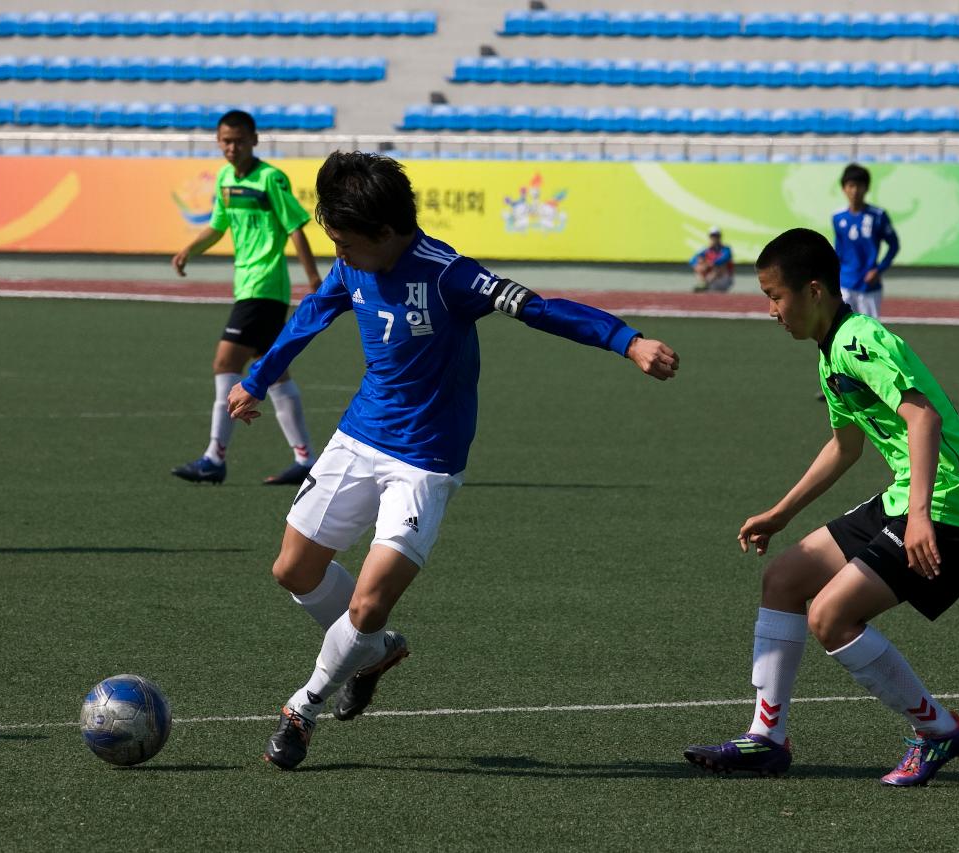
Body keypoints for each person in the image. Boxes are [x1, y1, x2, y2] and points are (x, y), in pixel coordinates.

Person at [225, 152, 680, 770]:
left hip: (425, 460)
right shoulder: (351, 261)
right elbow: (311, 314)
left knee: (367, 603)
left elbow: (540, 308)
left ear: (386, 232)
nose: (340, 251)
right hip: (359, 436)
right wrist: (258, 377)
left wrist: (627, 340)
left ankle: (301, 710)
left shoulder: (450, 276)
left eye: (347, 240)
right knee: (293, 570)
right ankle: (375, 652)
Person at [683, 228, 959, 787]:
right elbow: (845, 446)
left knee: (831, 615)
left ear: (816, 290)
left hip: (948, 507)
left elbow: (924, 418)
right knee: (784, 578)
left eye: (776, 297)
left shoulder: (860, 341)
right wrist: (781, 513)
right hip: (910, 495)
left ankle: (939, 730)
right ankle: (767, 740)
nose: (772, 311)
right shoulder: (830, 353)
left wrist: (919, 514)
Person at [169, 109, 323, 486]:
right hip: (249, 286)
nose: (231, 147)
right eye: (225, 140)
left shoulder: (270, 178)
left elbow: (296, 228)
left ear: (254, 140)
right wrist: (190, 248)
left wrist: (314, 278)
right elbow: (218, 226)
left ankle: (213, 457)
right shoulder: (225, 178)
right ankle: (305, 459)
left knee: (225, 361)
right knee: (275, 374)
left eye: (238, 140)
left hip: (264, 287)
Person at [832, 163, 899, 319]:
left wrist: (879, 270)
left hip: (868, 286)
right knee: (841, 328)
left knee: (870, 333)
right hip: (845, 285)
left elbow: (894, 245)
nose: (855, 191)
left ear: (867, 188)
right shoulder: (837, 217)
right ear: (844, 188)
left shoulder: (878, 215)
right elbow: (839, 250)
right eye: (851, 186)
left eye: (859, 186)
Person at [691, 227, 734, 292]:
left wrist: (710, 263)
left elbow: (724, 259)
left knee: (720, 266)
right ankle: (703, 283)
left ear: (720, 237)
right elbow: (692, 260)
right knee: (699, 263)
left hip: (723, 278)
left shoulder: (726, 249)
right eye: (712, 236)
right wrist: (702, 265)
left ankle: (705, 284)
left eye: (716, 236)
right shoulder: (706, 250)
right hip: (709, 277)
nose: (714, 238)